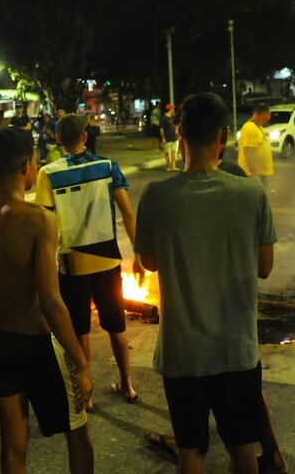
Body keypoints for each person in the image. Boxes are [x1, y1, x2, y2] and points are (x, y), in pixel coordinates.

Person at [135, 92, 278, 474]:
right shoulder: (251, 194)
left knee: (191, 450)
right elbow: (265, 267)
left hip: (183, 351)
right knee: (243, 449)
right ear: (224, 137)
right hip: (237, 349)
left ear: (179, 134)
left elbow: (148, 261)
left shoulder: (157, 196)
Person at [0, 128, 94, 473]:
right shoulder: (39, 220)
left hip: (2, 339)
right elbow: (50, 300)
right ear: (27, 166)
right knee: (77, 434)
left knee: (14, 444)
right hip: (40, 342)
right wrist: (80, 362)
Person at [35, 113, 142, 410]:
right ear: (85, 136)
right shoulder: (108, 167)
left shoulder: (49, 174)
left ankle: (88, 392)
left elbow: (44, 223)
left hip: (71, 264)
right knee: (116, 327)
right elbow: (128, 214)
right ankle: (128, 384)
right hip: (107, 261)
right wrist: (138, 255)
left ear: (58, 139)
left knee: (80, 330)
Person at [237, 103, 274, 187]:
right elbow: (249, 153)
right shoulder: (250, 128)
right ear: (261, 114)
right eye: (268, 114)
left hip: (259, 175)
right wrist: (254, 175)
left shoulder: (257, 127)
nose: (269, 117)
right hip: (253, 175)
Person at [159, 103, 178, 171]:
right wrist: (163, 138)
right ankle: (168, 167)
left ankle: (173, 167)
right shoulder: (163, 117)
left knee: (174, 153)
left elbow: (177, 126)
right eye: (173, 108)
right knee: (167, 153)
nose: (174, 110)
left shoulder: (174, 117)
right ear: (170, 109)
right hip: (167, 138)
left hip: (174, 138)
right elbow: (161, 129)